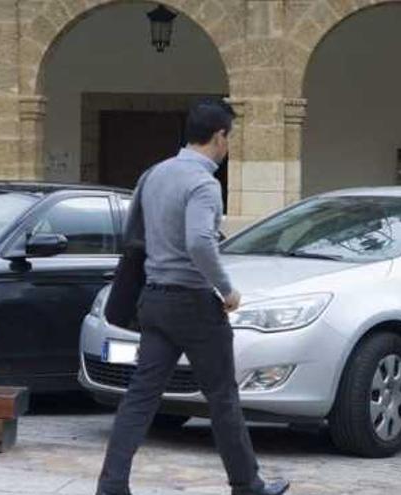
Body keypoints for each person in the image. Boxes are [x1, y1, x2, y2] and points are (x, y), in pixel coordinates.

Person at [96, 100, 290, 495]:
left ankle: (112, 485)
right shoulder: (203, 184)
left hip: (154, 299)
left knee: (140, 396)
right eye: (229, 138)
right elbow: (200, 242)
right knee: (222, 397)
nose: (229, 147)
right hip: (195, 303)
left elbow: (138, 235)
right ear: (219, 136)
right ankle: (246, 484)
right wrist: (227, 290)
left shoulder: (154, 174)